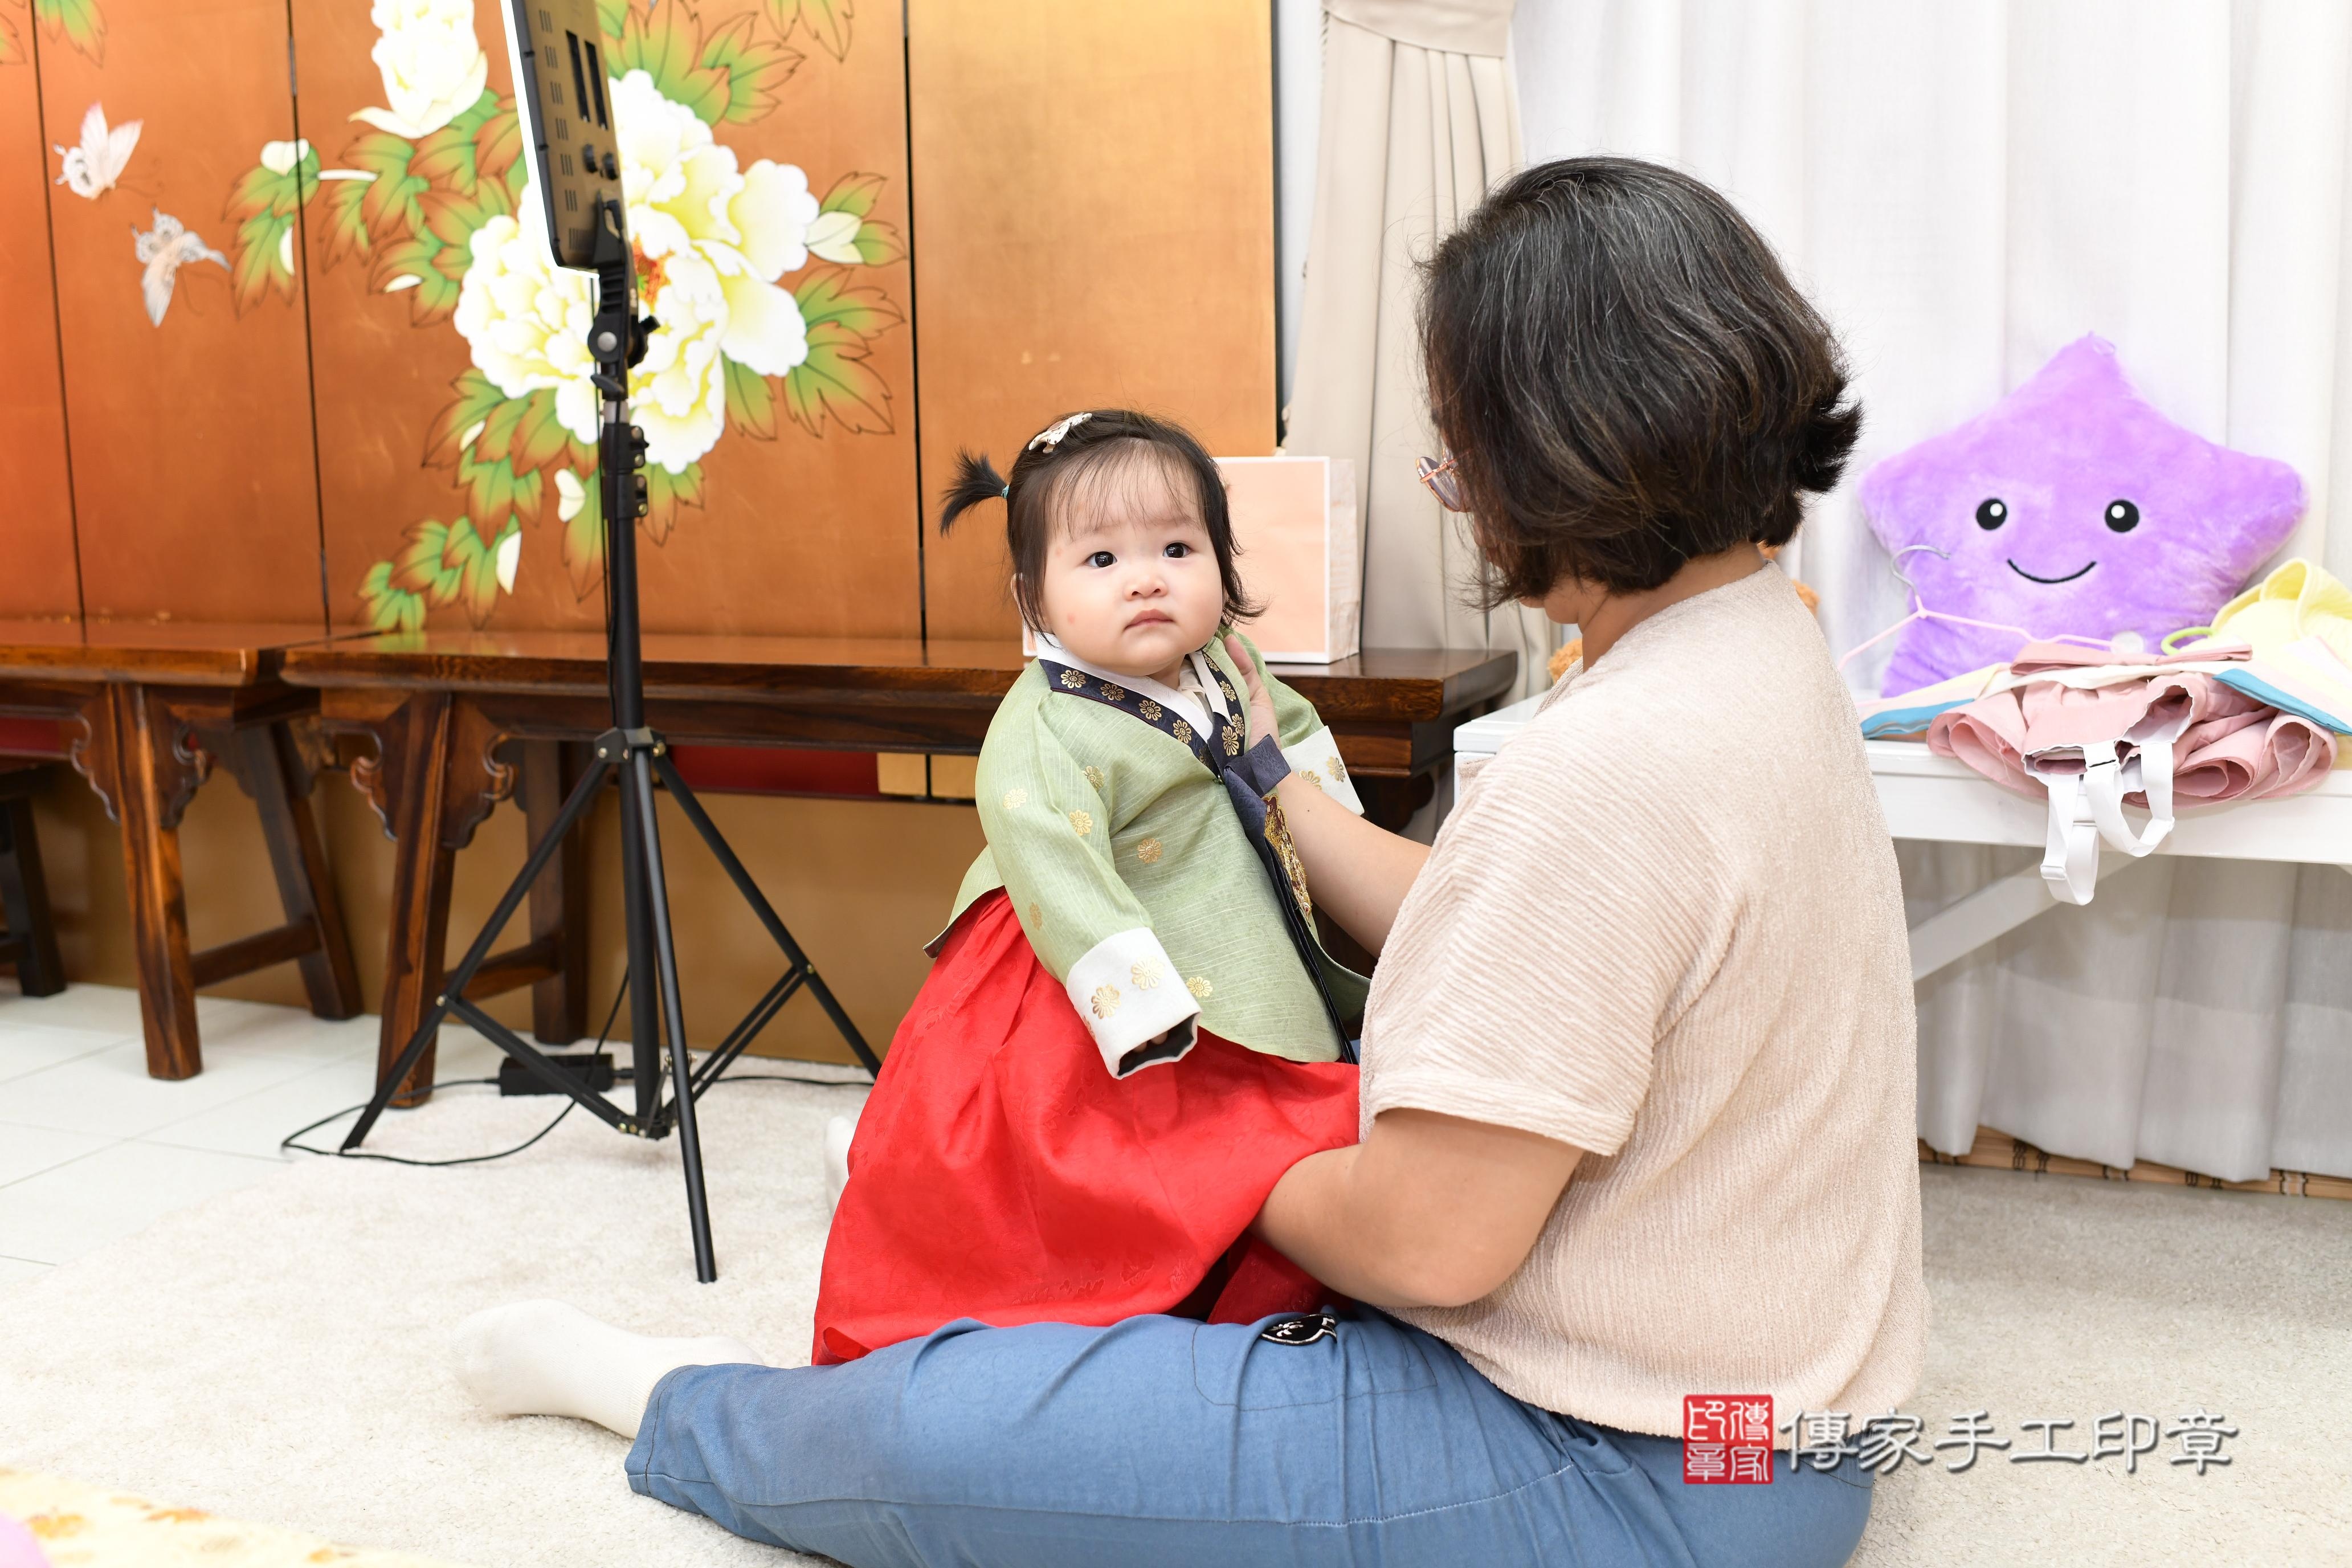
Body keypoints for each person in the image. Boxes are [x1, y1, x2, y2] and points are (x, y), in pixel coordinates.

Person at [452, 156, 1926, 1568]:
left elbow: (1431, 1243)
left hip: (1642, 1470)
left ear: (1554, 454)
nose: (1462, 499)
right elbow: (1518, 929)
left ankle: (667, 1401)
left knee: (944, 1440)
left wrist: (1154, 1146)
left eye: (1461, 458)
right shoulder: (1758, 647)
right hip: (1770, 1417)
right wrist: (1269, 787)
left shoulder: (1609, 769)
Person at [811, 408, 1370, 1363]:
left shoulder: (1229, 666)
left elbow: (1296, 742)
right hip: (1087, 972)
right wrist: (1139, 1008)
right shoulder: (1043, 726)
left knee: (1294, 1110)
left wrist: (1335, 833)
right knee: (1105, 1164)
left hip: (1230, 925)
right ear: (1035, 598)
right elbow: (1053, 865)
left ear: (1224, 566)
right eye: (1101, 561)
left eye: (1177, 547)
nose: (1147, 576)